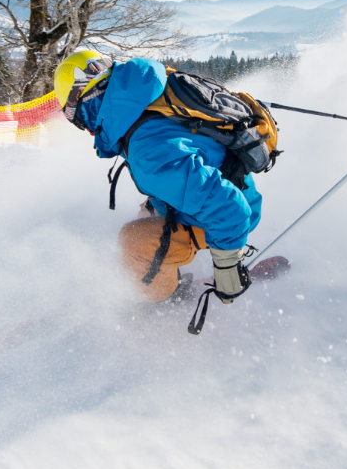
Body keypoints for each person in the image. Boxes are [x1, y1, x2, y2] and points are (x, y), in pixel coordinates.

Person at [55, 49, 284, 304]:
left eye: (74, 117)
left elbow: (230, 210)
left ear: (86, 101)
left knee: (133, 242)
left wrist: (228, 271)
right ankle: (169, 268)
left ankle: (167, 300)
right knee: (145, 214)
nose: (84, 128)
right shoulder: (145, 96)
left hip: (230, 213)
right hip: (227, 185)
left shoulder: (147, 151)